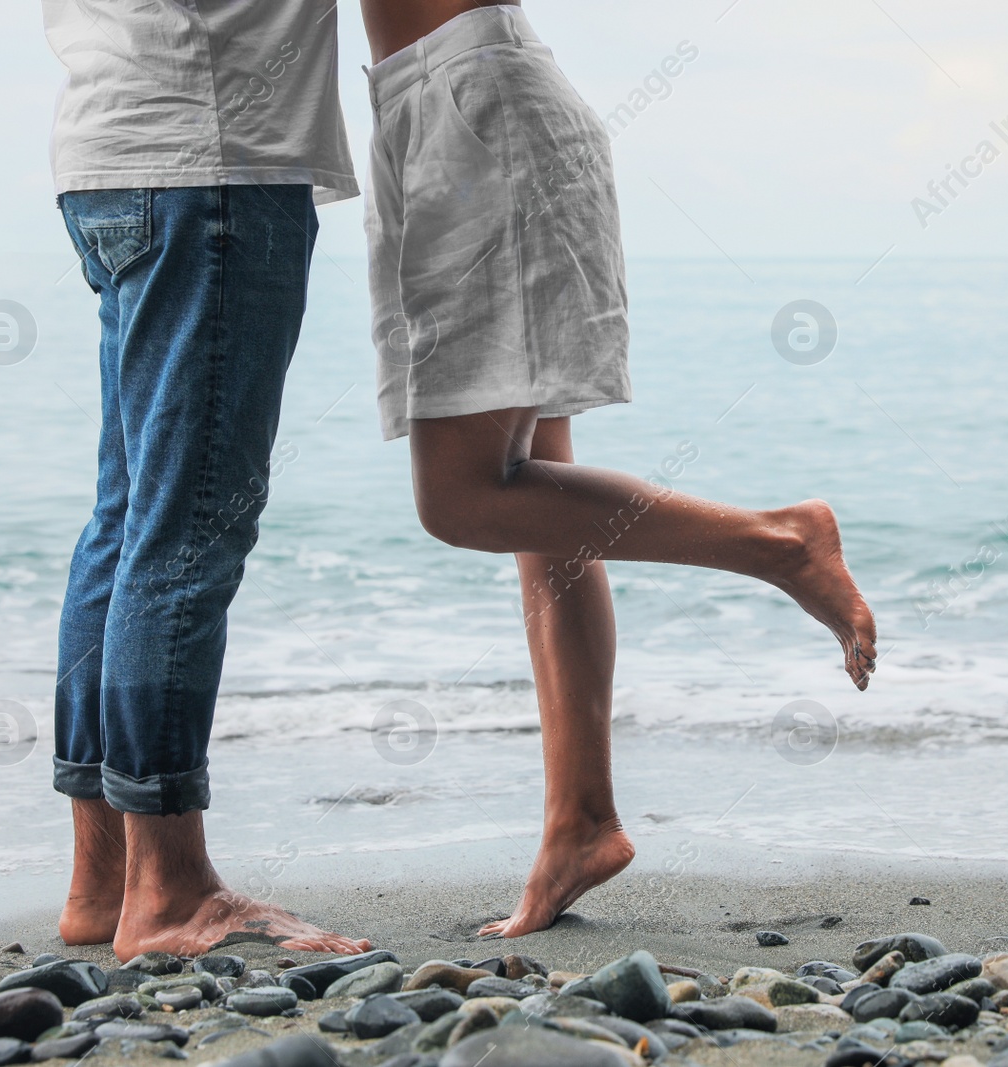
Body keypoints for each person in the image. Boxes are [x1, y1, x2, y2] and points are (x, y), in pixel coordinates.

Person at [358, 0, 879, 937]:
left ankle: (780, 543)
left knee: (465, 497)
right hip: (452, 108)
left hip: (474, 116)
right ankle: (581, 823)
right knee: (538, 512)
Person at [41, 0, 370, 959]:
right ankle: (173, 891)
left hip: (113, 151)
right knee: (183, 532)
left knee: (129, 519)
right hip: (211, 158)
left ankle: (106, 881)